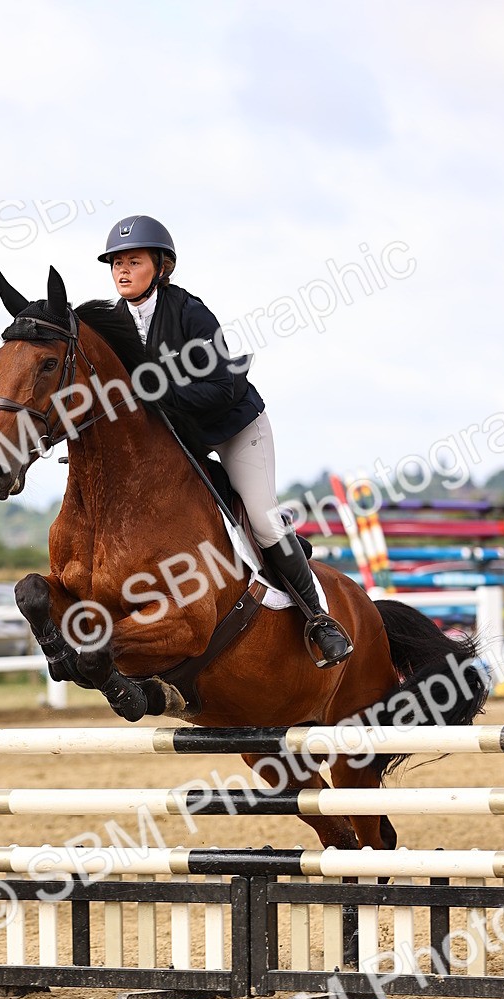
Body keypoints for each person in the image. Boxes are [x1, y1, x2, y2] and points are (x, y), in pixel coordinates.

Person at [99, 214, 353, 668]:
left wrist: (160, 391)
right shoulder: (111, 323)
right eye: (116, 262)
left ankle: (320, 620)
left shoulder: (189, 312)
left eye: (133, 261)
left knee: (262, 519)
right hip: (180, 441)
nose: (122, 270)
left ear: (161, 266)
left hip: (233, 427)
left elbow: (219, 387)